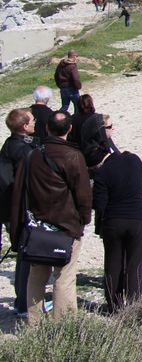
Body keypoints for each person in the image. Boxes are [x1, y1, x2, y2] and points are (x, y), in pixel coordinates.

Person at [9, 111, 92, 326]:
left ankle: (34, 325)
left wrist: (17, 229)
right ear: (70, 129)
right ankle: (63, 327)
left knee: (37, 276)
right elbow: (83, 194)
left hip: (37, 226)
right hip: (66, 225)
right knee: (64, 277)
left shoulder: (32, 155)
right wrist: (84, 219)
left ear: (47, 129)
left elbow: (19, 191)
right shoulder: (73, 156)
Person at [92, 141, 142, 311]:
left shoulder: (103, 171)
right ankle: (135, 308)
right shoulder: (133, 160)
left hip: (113, 221)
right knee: (135, 265)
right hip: (137, 220)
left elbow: (99, 202)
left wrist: (102, 224)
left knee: (113, 264)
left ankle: (114, 307)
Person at [1, 108, 41, 319]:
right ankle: (26, 303)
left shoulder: (8, 146)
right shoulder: (24, 150)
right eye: (32, 120)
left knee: (23, 256)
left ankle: (22, 301)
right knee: (29, 256)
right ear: (25, 126)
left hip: (10, 210)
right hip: (23, 210)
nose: (35, 122)